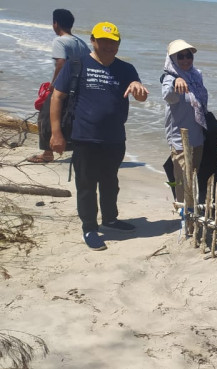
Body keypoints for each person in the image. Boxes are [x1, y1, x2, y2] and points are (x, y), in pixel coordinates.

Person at [49, 22, 149, 251]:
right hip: (84, 137)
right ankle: (89, 228)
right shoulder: (78, 64)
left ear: (118, 44)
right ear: (93, 41)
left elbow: (141, 98)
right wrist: (56, 134)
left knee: (110, 182)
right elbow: (57, 97)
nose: (108, 46)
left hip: (115, 138)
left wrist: (137, 87)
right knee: (86, 185)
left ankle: (110, 219)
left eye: (113, 42)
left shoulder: (127, 69)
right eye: (103, 41)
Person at [29, 8, 90, 163]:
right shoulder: (80, 42)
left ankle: (47, 153)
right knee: (70, 118)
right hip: (78, 87)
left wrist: (53, 84)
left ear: (55, 23)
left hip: (63, 87)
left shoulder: (59, 41)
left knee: (45, 116)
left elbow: (61, 63)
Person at [161, 39, 208, 218]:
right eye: (180, 56)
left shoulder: (196, 75)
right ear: (172, 59)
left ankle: (191, 207)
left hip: (198, 136)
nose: (186, 60)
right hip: (180, 139)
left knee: (192, 176)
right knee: (182, 178)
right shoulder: (170, 78)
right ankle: (184, 214)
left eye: (189, 55)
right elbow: (168, 96)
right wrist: (175, 82)